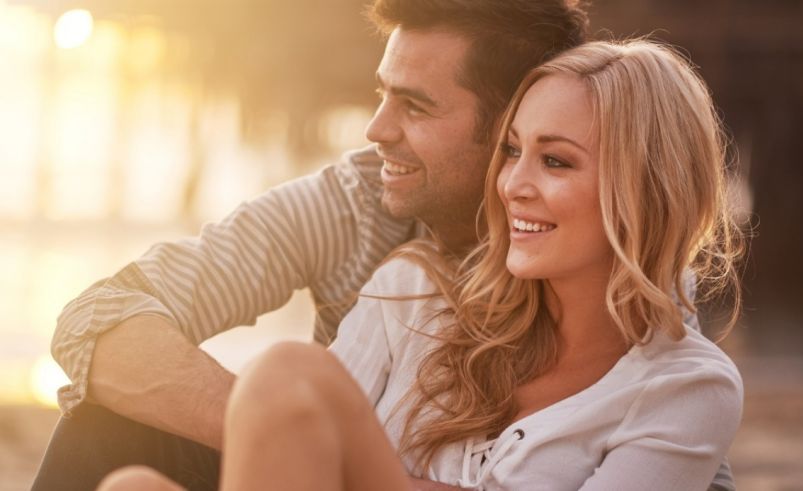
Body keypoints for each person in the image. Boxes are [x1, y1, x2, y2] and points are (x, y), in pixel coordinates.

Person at [32, 1, 734, 490]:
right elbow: (99, 317)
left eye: (416, 106)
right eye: (520, 153)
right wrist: (281, 432)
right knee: (114, 452)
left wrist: (301, 423)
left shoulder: (665, 355)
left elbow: (676, 414)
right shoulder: (391, 253)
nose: (375, 130)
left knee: (286, 380)